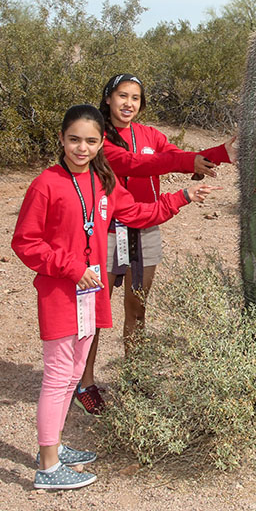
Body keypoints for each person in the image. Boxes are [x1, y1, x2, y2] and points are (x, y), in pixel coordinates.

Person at [11, 104, 219, 489]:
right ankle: (47, 466)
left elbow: (139, 214)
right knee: (58, 376)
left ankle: (52, 448)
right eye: (74, 139)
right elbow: (25, 242)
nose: (82, 148)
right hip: (61, 291)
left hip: (90, 293)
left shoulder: (102, 182)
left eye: (91, 141)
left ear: (100, 144)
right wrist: (72, 268)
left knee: (75, 371)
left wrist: (184, 196)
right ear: (61, 139)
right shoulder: (47, 183)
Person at [74, 74, 237, 416]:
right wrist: (185, 163)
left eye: (135, 98)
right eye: (122, 96)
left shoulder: (149, 135)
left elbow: (177, 155)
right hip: (103, 232)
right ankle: (85, 382)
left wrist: (222, 153)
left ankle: (135, 377)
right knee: (96, 314)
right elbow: (135, 164)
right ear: (108, 99)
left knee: (138, 310)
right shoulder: (98, 137)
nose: (128, 103)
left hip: (144, 228)